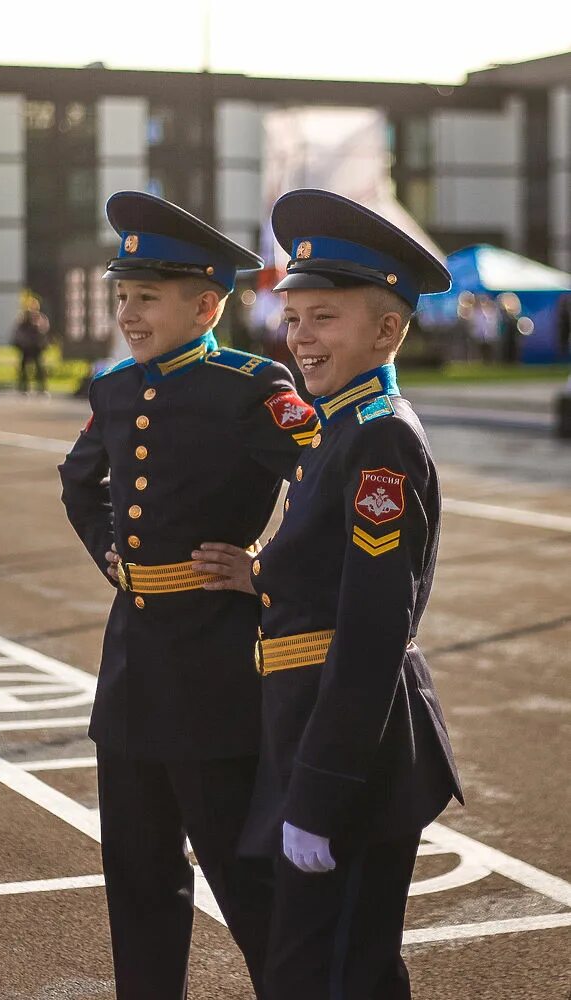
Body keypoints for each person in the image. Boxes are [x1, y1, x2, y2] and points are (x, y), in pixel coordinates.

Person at [192, 189, 464, 1000]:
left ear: (387, 329)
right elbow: (329, 567)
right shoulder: (341, 424)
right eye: (294, 316)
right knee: (341, 969)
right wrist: (262, 570)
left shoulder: (376, 434)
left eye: (325, 318)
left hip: (353, 756)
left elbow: (373, 627)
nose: (299, 338)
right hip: (315, 734)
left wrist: (318, 793)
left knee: (327, 971)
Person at [58, 191, 317, 1000]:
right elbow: (78, 483)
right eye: (122, 297)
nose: (128, 314)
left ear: (206, 304)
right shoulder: (112, 388)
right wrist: (107, 549)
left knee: (245, 873)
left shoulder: (248, 385)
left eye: (146, 298)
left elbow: (323, 483)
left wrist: (264, 566)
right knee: (136, 872)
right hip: (132, 657)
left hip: (215, 663)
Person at [12, 302, 49, 393]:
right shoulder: (22, 321)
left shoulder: (40, 319)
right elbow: (18, 334)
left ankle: (41, 387)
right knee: (23, 368)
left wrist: (42, 343)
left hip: (36, 348)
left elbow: (44, 332)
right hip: (26, 348)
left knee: (39, 368)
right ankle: (23, 386)